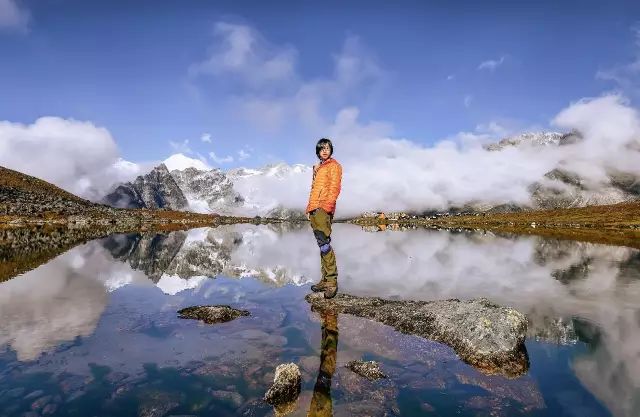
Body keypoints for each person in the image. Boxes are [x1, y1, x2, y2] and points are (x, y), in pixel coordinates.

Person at [306, 138, 342, 299]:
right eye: (322, 149)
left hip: (323, 208)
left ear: (331, 150)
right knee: (321, 243)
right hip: (314, 208)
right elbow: (313, 190)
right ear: (318, 152)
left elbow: (335, 188)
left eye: (327, 148)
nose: (325, 151)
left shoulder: (334, 166)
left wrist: (326, 207)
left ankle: (332, 282)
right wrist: (309, 209)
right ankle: (325, 279)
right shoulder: (319, 168)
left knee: (324, 243)